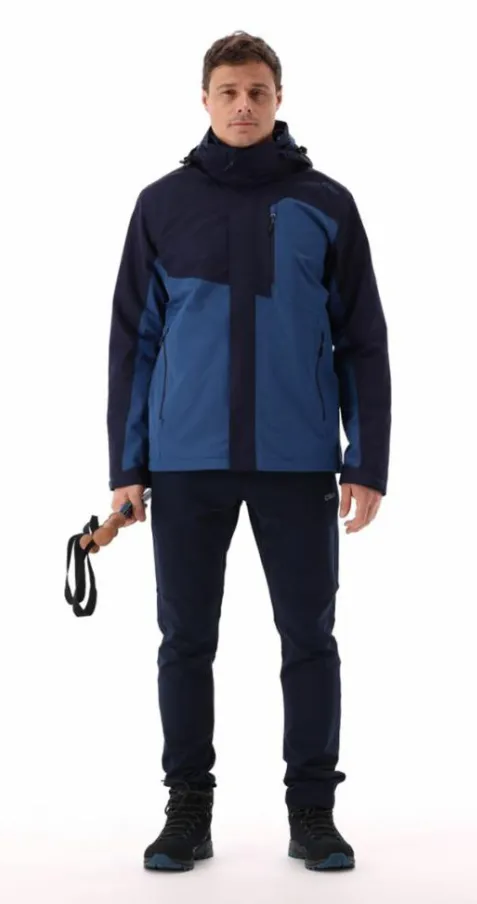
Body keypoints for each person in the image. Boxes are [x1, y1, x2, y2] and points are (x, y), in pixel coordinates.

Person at [105, 30, 391, 872]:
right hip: (184, 461)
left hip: (297, 461)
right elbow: (133, 343)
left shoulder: (327, 204)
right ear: (204, 100)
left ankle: (314, 812)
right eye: (228, 91)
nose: (243, 105)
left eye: (257, 91)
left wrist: (366, 459)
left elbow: (362, 340)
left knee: (309, 637)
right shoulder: (161, 205)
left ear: (278, 99)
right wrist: (127, 468)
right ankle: (187, 809)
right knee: (185, 640)